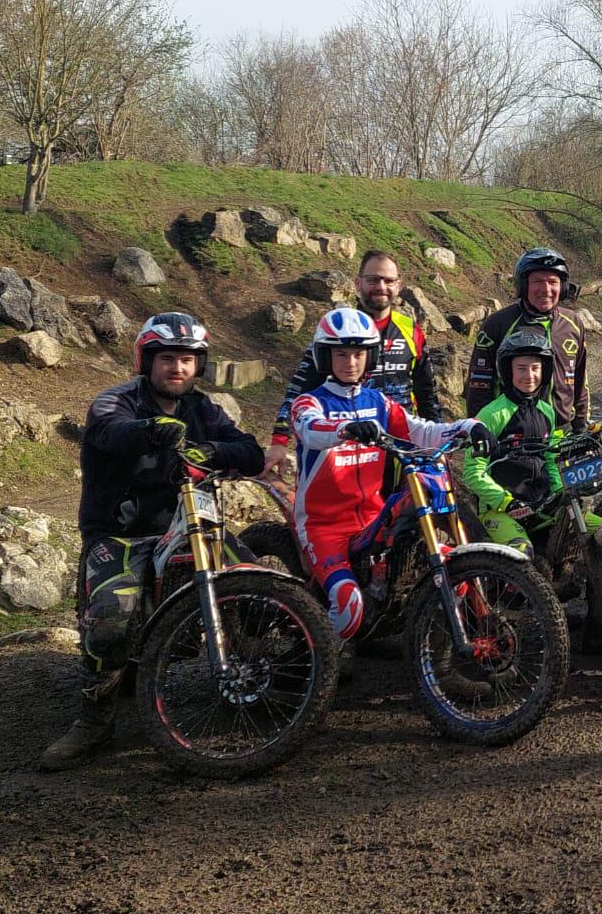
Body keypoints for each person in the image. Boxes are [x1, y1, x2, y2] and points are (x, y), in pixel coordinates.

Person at [40, 313, 265, 771]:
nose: (177, 368)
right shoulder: (116, 401)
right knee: (111, 622)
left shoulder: (204, 409)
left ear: (198, 365)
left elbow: (252, 452)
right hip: (120, 535)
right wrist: (149, 432)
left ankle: (259, 677)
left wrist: (214, 451)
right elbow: (107, 431)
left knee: (258, 587)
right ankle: (94, 720)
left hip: (190, 529)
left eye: (186, 360)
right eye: (167, 359)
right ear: (147, 360)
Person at [289, 309, 493, 643]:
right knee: (349, 605)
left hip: (371, 518)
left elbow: (421, 431)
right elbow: (311, 430)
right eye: (341, 353)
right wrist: (346, 429)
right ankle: (309, 658)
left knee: (455, 569)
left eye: (358, 354)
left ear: (369, 357)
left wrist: (468, 426)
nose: (350, 362)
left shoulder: (378, 402)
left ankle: (434, 648)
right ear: (325, 356)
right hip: (323, 526)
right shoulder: (309, 402)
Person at [265, 249, 442, 479]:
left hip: (404, 448)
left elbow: (427, 392)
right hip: (351, 448)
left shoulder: (411, 330)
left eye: (389, 281)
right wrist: (279, 441)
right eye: (373, 280)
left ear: (399, 286)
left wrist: (435, 443)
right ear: (358, 284)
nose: (381, 286)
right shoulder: (336, 329)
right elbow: (299, 388)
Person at [463, 331, 597, 560]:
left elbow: (552, 459)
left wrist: (559, 493)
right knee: (522, 552)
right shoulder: (490, 415)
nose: (530, 376)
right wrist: (505, 501)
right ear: (508, 371)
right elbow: (472, 472)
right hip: (499, 510)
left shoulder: (547, 412)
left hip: (541, 504)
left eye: (535, 368)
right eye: (521, 368)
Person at [466, 246, 590, 429]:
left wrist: (582, 426)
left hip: (562, 436)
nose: (546, 289)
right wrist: (479, 431)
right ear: (523, 285)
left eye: (552, 281)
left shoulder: (573, 324)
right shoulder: (498, 324)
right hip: (513, 435)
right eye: (537, 281)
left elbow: (580, 382)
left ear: (562, 286)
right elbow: (478, 387)